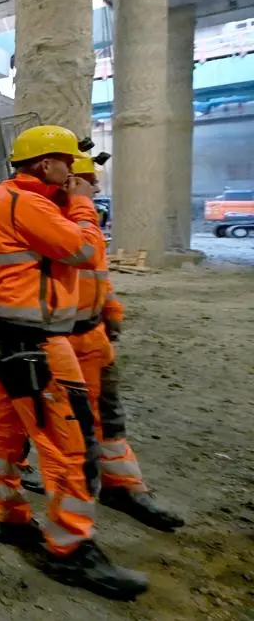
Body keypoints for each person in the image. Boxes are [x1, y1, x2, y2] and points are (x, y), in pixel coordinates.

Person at [0, 125, 148, 600]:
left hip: (0, 338)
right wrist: (82, 204)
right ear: (46, 163)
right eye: (67, 163)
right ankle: (70, 550)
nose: (73, 173)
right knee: (68, 444)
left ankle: (7, 515)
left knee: (5, 433)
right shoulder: (28, 205)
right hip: (36, 344)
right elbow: (86, 250)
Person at [66, 153, 185, 531]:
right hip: (63, 342)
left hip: (94, 336)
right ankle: (70, 523)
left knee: (109, 417)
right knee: (70, 427)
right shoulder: (56, 222)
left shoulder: (84, 221)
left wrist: (111, 309)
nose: (96, 186)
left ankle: (123, 486)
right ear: (70, 182)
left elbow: (98, 274)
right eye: (89, 180)